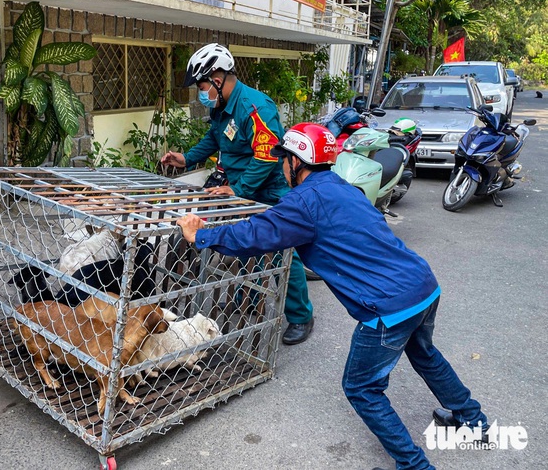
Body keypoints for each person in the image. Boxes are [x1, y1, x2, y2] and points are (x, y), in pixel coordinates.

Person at [177, 122, 489, 470]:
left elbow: (256, 235)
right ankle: (473, 420)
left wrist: (201, 236)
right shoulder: (344, 188)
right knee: (426, 355)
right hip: (422, 286)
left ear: (297, 163)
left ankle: (415, 466)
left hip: (387, 306)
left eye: (285, 160)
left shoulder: (304, 202)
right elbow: (278, 222)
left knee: (361, 388)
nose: (282, 166)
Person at [161, 43, 314, 345]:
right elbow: (214, 139)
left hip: (267, 190)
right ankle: (249, 295)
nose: (201, 91)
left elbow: (268, 156)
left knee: (285, 252)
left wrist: (238, 189)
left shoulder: (254, 107)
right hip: (239, 190)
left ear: (217, 78)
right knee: (246, 242)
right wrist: (187, 158)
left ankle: (301, 316)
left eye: (202, 84)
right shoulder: (221, 109)